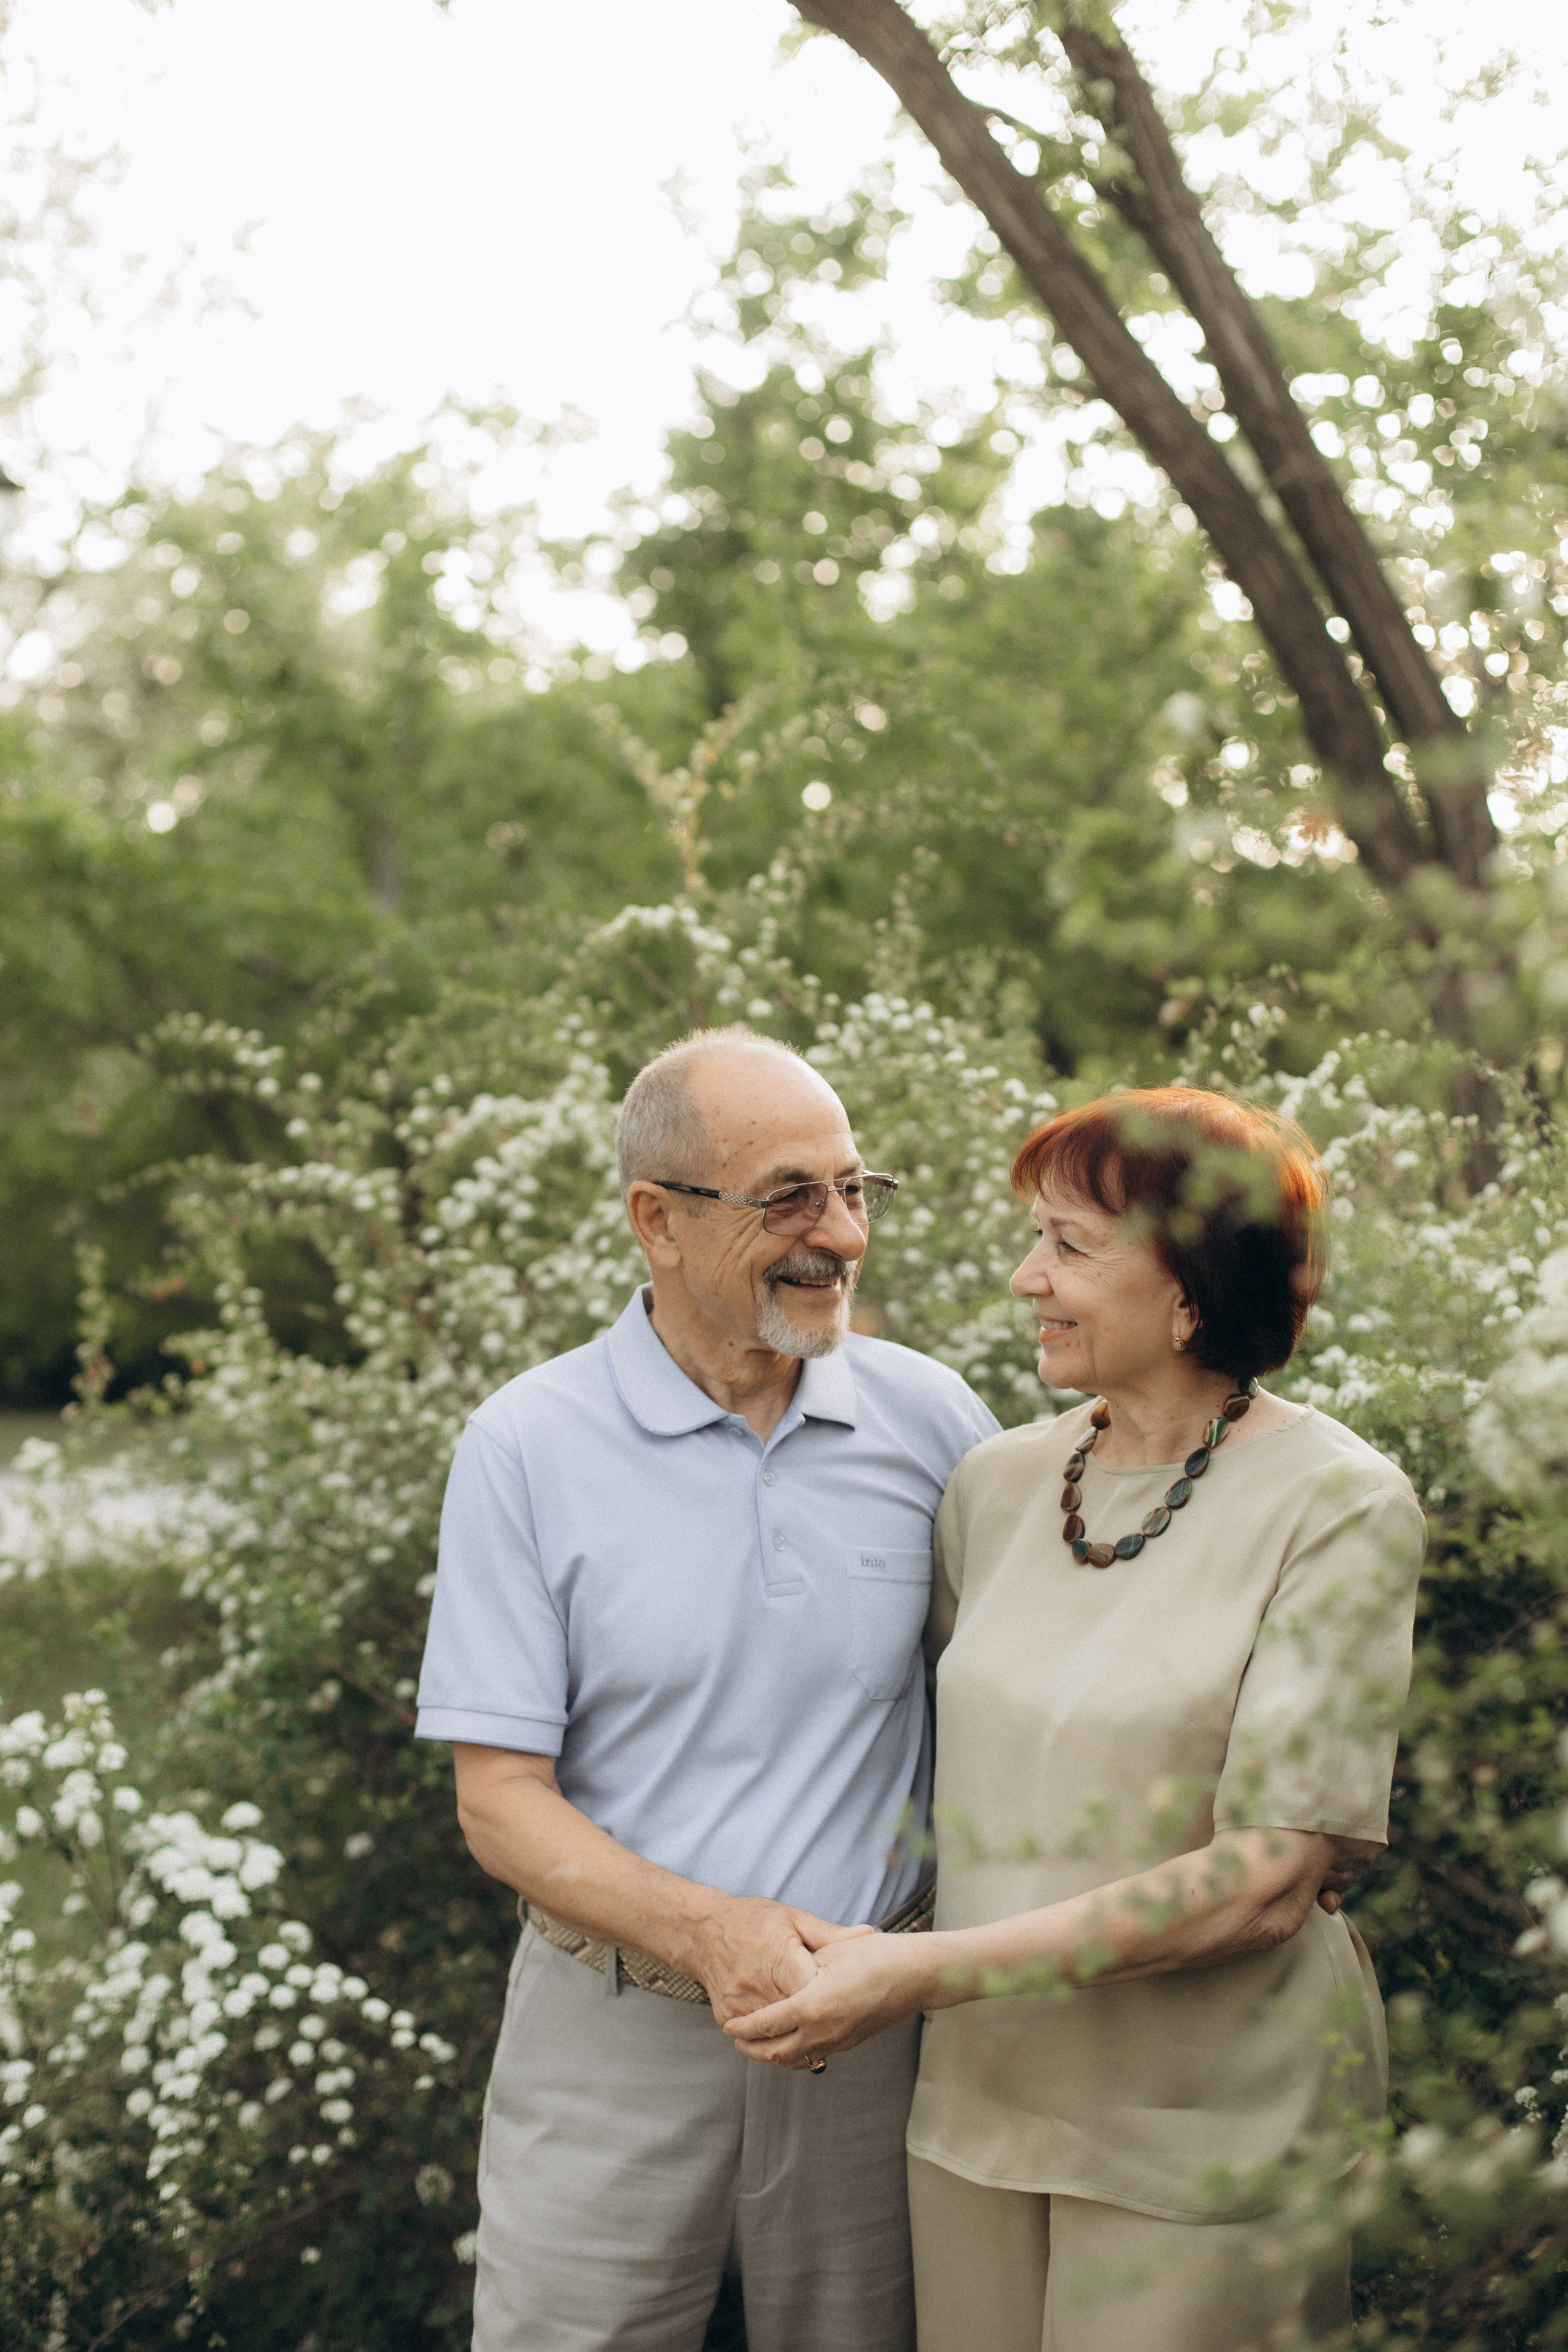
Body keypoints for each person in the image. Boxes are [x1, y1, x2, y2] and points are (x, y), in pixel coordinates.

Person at [726, 1086, 1426, 2352]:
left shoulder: (1338, 1505)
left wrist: (921, 1974)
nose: (1024, 1278)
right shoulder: (994, 1487)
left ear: (1192, 1289)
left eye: (1069, 1246)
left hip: (1209, 2128)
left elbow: (1267, 1883)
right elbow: (948, 1759)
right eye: (1034, 1238)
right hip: (979, 2106)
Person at [414, 1027, 998, 2352]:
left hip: (875, 2046)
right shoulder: (526, 1446)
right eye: (788, 1197)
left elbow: (1022, 1698)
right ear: (656, 1221)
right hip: (612, 2038)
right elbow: (499, 1800)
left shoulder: (933, 1422)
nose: (839, 1235)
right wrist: (711, 1934)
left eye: (853, 1189)